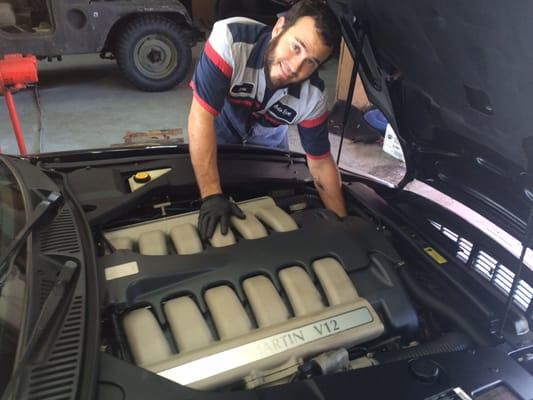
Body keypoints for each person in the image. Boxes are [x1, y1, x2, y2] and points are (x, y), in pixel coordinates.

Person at [188, 0, 347, 241]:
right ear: (279, 27)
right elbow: (201, 116)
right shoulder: (230, 39)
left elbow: (321, 164)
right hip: (220, 126)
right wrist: (211, 195)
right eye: (296, 47)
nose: (296, 67)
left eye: (311, 62)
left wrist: (342, 225)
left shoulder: (312, 98)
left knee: (268, 198)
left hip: (269, 141)